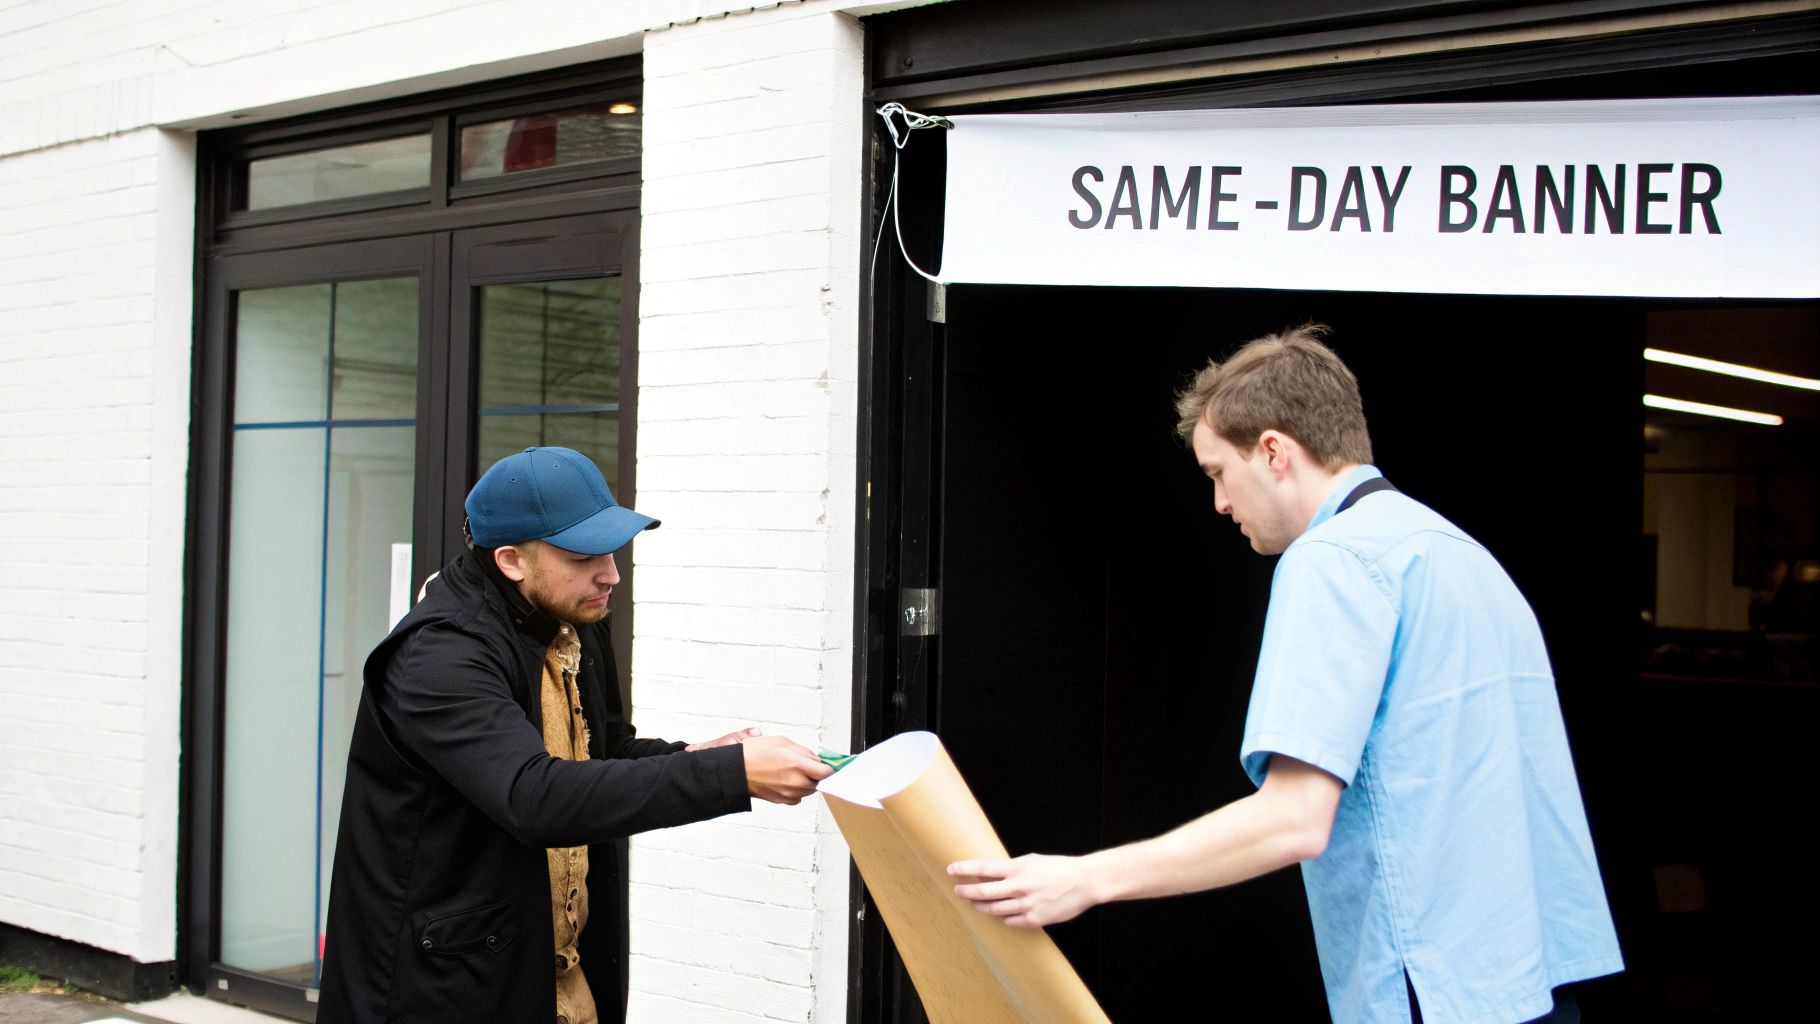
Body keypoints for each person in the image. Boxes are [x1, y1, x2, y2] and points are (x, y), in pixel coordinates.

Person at [948, 326, 1623, 1024]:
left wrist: (1084, 879)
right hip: (1531, 985)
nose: (1218, 504)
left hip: (1430, 989)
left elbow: (1295, 821)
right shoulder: (1462, 557)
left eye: (1217, 473)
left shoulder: (1332, 562)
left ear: (1274, 450)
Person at [318, 446, 831, 1024]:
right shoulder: (438, 655)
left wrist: (698, 754)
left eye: (611, 548)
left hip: (556, 976)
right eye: (585, 554)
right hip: (443, 991)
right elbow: (534, 797)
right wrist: (732, 775)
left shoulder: (570, 621)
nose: (610, 572)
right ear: (511, 560)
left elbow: (605, 753)